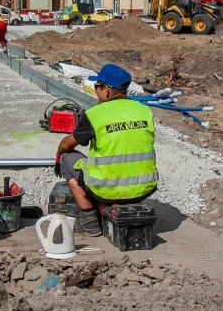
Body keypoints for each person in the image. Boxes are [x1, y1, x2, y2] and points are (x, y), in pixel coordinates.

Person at [55, 63, 159, 236]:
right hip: (143, 188)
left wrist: (59, 154)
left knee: (67, 159)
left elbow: (67, 144)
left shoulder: (96, 114)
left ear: (107, 90)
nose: (96, 91)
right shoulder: (144, 111)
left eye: (97, 87)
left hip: (106, 188)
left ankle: (89, 221)